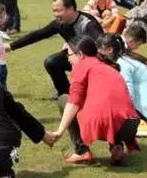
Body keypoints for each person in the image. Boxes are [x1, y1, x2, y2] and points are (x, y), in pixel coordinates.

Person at [6, 0, 104, 159]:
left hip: (92, 64)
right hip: (75, 58)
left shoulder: (89, 25)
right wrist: (12, 46)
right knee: (52, 61)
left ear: (72, 8)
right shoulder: (61, 23)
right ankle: (66, 95)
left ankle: (80, 101)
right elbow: (39, 34)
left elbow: (103, 47)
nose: (56, 14)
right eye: (54, 11)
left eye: (59, 10)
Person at [47, 36, 140, 165]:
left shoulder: (81, 66)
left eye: (66, 53)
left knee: (63, 98)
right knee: (108, 107)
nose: (66, 58)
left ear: (80, 54)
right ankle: (116, 146)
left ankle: (81, 151)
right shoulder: (106, 65)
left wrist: (59, 131)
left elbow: (73, 102)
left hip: (108, 122)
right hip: (131, 124)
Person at [97, 34, 147, 138]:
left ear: (110, 49)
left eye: (100, 49)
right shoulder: (129, 57)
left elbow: (128, 93)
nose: (98, 52)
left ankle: (140, 124)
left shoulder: (122, 65)